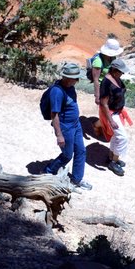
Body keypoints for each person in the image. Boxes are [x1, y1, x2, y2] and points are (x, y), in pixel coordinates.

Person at [43, 62, 92, 192]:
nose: (77, 80)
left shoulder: (70, 87)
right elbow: (55, 115)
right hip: (65, 127)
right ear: (67, 77)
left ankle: (76, 179)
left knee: (81, 151)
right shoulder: (57, 92)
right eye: (75, 78)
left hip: (76, 125)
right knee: (67, 155)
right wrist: (59, 135)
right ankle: (48, 171)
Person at [98, 57, 133, 177]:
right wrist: (110, 120)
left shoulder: (116, 78)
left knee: (115, 136)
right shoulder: (106, 82)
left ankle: (111, 157)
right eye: (120, 71)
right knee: (123, 138)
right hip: (111, 113)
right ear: (114, 69)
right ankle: (113, 162)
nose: (122, 73)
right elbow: (103, 103)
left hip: (117, 112)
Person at [88, 37, 124, 106]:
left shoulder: (112, 57)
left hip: (110, 86)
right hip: (102, 87)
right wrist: (97, 96)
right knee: (105, 106)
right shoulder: (98, 61)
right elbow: (96, 80)